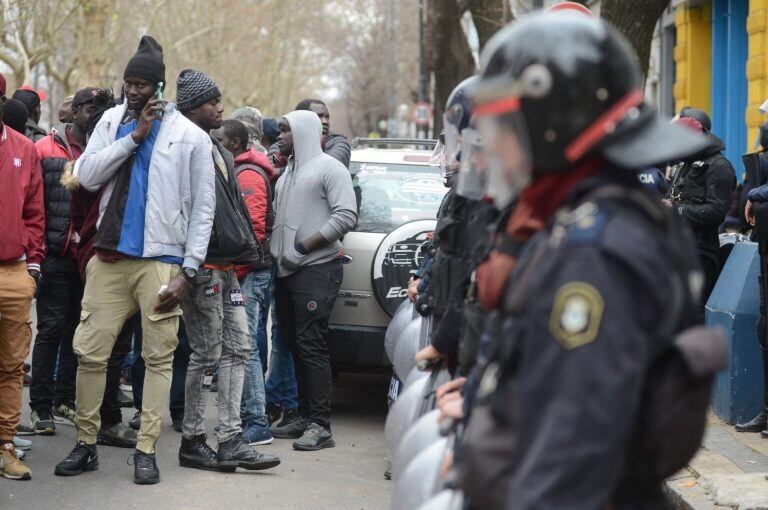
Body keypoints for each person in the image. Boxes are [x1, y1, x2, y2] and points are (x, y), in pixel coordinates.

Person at [456, 12, 712, 508]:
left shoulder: (593, 252)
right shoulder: (599, 218)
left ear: (553, 125)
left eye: (507, 126)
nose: (499, 147)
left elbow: (572, 455)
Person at [53, 36, 216, 485]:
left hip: (161, 261)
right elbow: (84, 176)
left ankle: (146, 449)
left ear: (160, 87)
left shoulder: (188, 136)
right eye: (128, 82)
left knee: (157, 358)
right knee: (90, 352)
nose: (133, 91)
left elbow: (203, 209)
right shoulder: (110, 122)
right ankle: (86, 444)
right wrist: (134, 137)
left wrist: (188, 270)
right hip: (108, 258)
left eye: (142, 84)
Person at [175, 69, 280, 473]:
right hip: (200, 268)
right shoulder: (183, 145)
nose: (220, 107)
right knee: (206, 353)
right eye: (212, 101)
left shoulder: (217, 148)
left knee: (240, 347)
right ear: (191, 107)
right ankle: (193, 438)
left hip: (228, 268)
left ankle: (231, 439)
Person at [57, 88, 139, 448]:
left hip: (116, 254)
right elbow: (81, 214)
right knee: (104, 345)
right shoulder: (93, 171)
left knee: (105, 343)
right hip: (101, 256)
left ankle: (98, 418)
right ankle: (104, 421)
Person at [271, 110, 357, 450]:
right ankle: (305, 416)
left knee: (311, 345)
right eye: (278, 131)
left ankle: (321, 425)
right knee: (293, 344)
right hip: (285, 271)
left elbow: (346, 215)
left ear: (303, 133)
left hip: (316, 269)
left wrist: (304, 246)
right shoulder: (287, 172)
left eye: (285, 131)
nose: (279, 136)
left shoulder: (329, 168)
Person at [212, 119, 277, 445]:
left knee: (246, 346)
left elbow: (251, 231)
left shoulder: (248, 174)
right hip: (244, 271)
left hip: (250, 271)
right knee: (240, 346)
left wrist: (235, 272)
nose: (215, 141)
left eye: (220, 138)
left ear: (234, 143)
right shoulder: (235, 169)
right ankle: (242, 417)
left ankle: (257, 421)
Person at [0, 72, 45, 481]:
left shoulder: (24, 149)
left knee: (12, 365)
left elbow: (34, 210)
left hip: (12, 272)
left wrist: (32, 266)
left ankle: (5, 446)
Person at [667, 109, 736, 304]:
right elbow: (679, 195)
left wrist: (677, 210)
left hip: (701, 252)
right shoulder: (686, 163)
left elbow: (717, 210)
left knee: (694, 309)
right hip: (679, 246)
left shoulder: (719, 166)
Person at [269, 98, 351, 169]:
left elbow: (327, 167)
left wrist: (282, 170)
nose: (325, 121)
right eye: (319, 116)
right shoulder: (282, 143)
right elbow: (270, 169)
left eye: (327, 117)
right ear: (299, 119)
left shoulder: (338, 143)